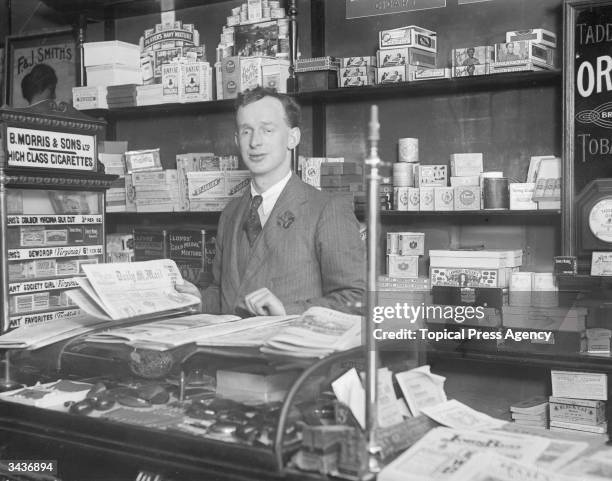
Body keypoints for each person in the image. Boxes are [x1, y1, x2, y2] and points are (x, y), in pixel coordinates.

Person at [179, 87, 365, 316]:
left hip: (291, 347)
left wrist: (287, 311)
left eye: (267, 130)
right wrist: (197, 299)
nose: (255, 142)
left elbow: (357, 299)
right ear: (237, 140)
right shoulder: (230, 213)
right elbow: (224, 295)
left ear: (292, 138)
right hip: (232, 349)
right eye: (246, 131)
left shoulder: (327, 209)